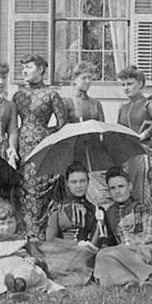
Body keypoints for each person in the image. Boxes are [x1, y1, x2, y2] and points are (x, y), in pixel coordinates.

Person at [93, 166, 152, 287]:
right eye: (112, 188)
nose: (117, 191)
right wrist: (101, 223)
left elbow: (150, 235)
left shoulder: (141, 208)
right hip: (123, 253)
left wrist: (131, 243)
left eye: (121, 186)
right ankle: (141, 281)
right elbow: (111, 242)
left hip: (146, 250)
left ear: (130, 186)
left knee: (110, 255)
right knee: (103, 255)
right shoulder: (109, 213)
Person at [11, 54, 67, 236]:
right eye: (23, 68)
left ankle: (40, 238)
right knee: (21, 192)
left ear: (41, 69)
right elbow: (11, 124)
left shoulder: (51, 94)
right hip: (20, 150)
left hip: (42, 151)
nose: (24, 71)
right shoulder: (18, 95)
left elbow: (62, 125)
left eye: (29, 67)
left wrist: (43, 134)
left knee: (38, 195)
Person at [0, 200, 63, 297]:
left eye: (10, 222)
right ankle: (13, 287)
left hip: (20, 265)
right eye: (2, 224)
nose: (7, 227)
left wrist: (34, 260)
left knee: (26, 272)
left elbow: (40, 258)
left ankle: (17, 285)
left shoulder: (23, 239)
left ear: (17, 222)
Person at [38, 163, 104, 287]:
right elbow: (50, 239)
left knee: (89, 255)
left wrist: (100, 221)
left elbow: (94, 245)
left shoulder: (94, 208)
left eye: (82, 181)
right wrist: (75, 244)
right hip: (61, 250)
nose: (79, 186)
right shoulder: (57, 208)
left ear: (88, 181)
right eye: (74, 182)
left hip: (85, 252)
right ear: (67, 183)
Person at [116, 65, 152, 202]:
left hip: (144, 152)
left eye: (130, 84)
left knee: (144, 191)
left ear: (140, 84)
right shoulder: (123, 108)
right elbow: (119, 131)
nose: (126, 88)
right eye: (124, 84)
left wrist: (144, 135)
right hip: (126, 154)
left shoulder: (148, 103)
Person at [65, 61, 110, 205]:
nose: (88, 81)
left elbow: (102, 130)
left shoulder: (96, 104)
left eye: (90, 78)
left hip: (94, 151)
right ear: (73, 79)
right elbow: (62, 129)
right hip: (74, 151)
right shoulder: (66, 102)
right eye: (84, 78)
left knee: (97, 192)